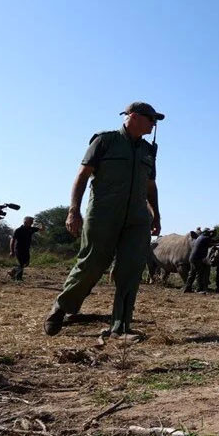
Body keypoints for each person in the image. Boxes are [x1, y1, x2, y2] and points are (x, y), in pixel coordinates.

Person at [43, 102, 163, 338]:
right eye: (151, 119)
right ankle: (62, 307)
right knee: (92, 264)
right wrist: (73, 210)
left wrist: (155, 214)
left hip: (137, 218)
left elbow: (150, 186)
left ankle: (120, 327)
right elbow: (82, 175)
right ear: (134, 117)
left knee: (130, 269)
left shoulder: (148, 151)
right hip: (103, 214)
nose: (154, 124)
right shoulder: (105, 141)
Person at [8, 217, 41, 281]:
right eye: (30, 221)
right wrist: (12, 251)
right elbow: (12, 240)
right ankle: (18, 278)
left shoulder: (31, 229)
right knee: (21, 264)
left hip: (26, 249)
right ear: (25, 221)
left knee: (26, 264)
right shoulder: (18, 230)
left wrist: (41, 223)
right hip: (19, 249)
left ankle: (12, 272)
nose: (32, 223)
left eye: (32, 221)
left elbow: (42, 230)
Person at [184, 228, 215, 293]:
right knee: (199, 273)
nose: (210, 233)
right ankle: (199, 289)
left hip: (192, 258)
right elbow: (213, 242)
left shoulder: (199, 237)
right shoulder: (206, 238)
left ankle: (187, 288)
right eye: (209, 232)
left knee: (192, 273)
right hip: (197, 259)